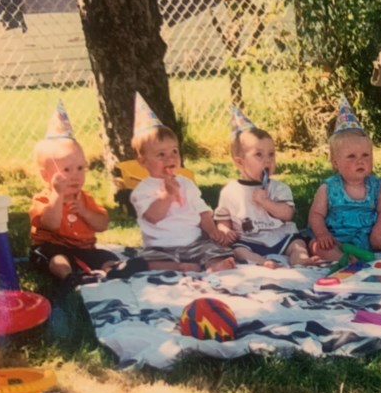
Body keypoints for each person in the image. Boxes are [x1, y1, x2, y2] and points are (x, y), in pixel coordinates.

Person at [130, 93, 236, 273]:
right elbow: (152, 217)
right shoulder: (142, 190)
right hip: (160, 247)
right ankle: (179, 267)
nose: (170, 158)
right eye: (160, 155)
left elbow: (202, 211)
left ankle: (212, 265)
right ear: (143, 162)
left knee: (215, 251)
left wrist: (211, 231)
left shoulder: (186, 183)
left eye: (174, 151)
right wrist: (167, 196)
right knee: (146, 262)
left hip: (192, 242)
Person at [307, 96, 381, 261]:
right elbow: (316, 215)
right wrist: (322, 234)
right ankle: (344, 258)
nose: (360, 161)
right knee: (316, 245)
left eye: (365, 155)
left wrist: (378, 232)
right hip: (337, 238)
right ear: (335, 163)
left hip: (370, 236)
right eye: (351, 156)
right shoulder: (329, 188)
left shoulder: (375, 185)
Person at [29, 101, 119, 286]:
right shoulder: (43, 199)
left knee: (106, 256)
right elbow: (51, 224)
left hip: (84, 249)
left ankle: (113, 273)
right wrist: (57, 194)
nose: (75, 175)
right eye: (67, 170)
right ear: (46, 175)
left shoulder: (85, 198)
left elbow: (102, 225)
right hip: (53, 247)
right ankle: (69, 277)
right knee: (56, 259)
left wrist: (85, 212)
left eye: (80, 168)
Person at [215, 106, 314, 268]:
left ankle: (300, 260)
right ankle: (262, 262)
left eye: (271, 154)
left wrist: (266, 202)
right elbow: (222, 219)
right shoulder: (230, 191)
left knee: (298, 244)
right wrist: (225, 230)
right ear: (240, 162)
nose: (267, 160)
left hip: (281, 236)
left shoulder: (279, 188)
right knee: (238, 250)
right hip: (249, 240)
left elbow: (287, 214)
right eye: (259, 155)